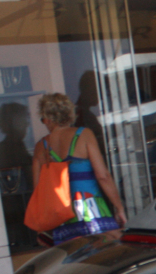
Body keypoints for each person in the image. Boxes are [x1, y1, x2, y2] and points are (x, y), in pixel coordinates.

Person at [32, 92, 126, 244]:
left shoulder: (40, 147)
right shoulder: (84, 135)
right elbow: (103, 176)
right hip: (91, 208)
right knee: (109, 252)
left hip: (62, 217)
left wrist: (40, 227)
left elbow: (38, 192)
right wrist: (119, 207)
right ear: (70, 114)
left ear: (48, 119)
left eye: (43, 120)